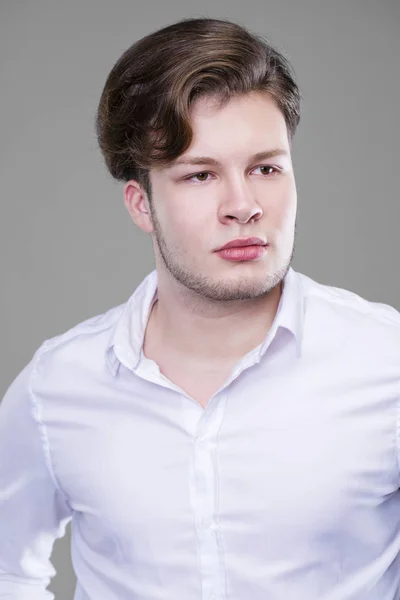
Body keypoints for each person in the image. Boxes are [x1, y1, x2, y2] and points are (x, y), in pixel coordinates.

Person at [0, 16, 399, 600]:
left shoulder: (387, 361)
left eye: (265, 167)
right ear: (141, 203)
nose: (243, 206)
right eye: (200, 175)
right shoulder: (56, 387)